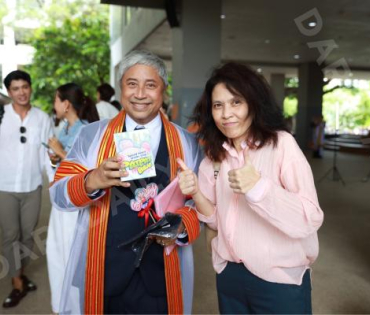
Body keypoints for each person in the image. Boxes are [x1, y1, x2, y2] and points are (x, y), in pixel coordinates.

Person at [49, 50, 202, 315]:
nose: (140, 94)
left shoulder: (186, 142)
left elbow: (202, 203)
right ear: (121, 89)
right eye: (132, 84)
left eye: (150, 85)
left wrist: (181, 226)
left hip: (160, 276)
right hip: (105, 268)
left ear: (163, 91)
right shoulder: (92, 136)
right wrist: (91, 180)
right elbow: (58, 194)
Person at [177, 62, 324, 314]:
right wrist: (196, 193)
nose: (226, 114)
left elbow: (309, 218)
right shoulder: (214, 156)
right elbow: (214, 221)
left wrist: (258, 188)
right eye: (218, 105)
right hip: (230, 274)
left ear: (254, 104)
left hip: (278, 279)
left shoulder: (281, 145)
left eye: (236, 102)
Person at [0, 70, 54, 308]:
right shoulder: (1, 116)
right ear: (9, 92)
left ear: (30, 87)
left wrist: (54, 181)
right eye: (15, 88)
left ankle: (19, 273)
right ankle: (17, 283)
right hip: (5, 186)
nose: (21, 92)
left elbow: (46, 153)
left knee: (28, 235)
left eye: (25, 87)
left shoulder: (42, 118)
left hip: (33, 185)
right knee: (10, 235)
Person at [46, 83, 99, 313]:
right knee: (56, 253)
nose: (54, 105)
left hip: (77, 207)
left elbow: (87, 171)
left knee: (73, 255)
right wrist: (55, 159)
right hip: (60, 204)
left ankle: (78, 305)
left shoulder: (85, 130)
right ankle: (62, 304)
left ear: (66, 104)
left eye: (56, 100)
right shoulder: (65, 129)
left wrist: (60, 153)